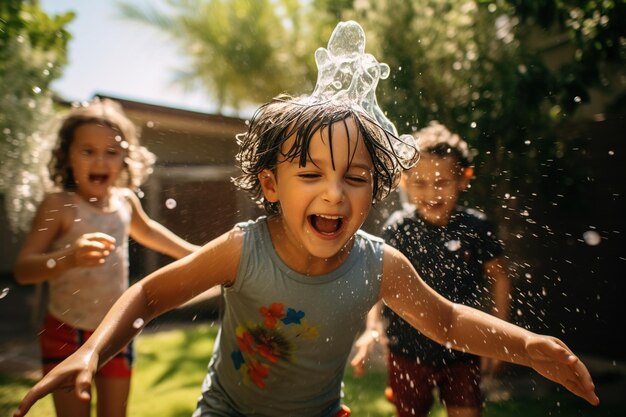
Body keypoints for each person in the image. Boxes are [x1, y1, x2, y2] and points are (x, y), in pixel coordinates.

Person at [13, 95, 599, 417]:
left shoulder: (379, 264)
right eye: (310, 173)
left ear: (376, 190)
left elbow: (445, 320)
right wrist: (90, 351)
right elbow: (149, 293)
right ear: (270, 184)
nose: (333, 192)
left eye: (356, 177)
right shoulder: (246, 248)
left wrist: (527, 345)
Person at [14, 98, 200, 417]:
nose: (100, 161)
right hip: (64, 331)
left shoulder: (124, 201)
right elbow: (23, 270)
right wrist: (68, 258)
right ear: (66, 156)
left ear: (125, 158)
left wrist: (201, 256)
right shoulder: (59, 205)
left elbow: (153, 234)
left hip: (116, 331)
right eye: (87, 151)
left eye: (111, 152)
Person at [351, 121, 512, 417]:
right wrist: (372, 327)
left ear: (464, 178)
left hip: (463, 347)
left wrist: (498, 337)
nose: (431, 194)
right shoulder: (399, 229)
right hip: (407, 349)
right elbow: (379, 279)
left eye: (441, 183)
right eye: (420, 184)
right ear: (404, 182)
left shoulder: (476, 229)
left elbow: (500, 277)